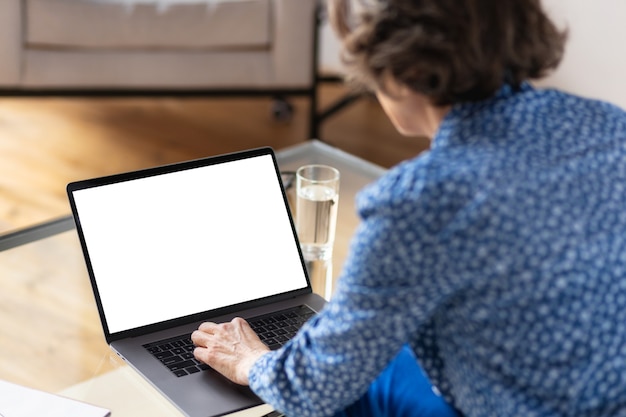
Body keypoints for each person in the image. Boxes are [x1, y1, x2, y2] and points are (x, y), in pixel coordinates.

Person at [192, 0, 626, 415]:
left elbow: (313, 386)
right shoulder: (610, 124)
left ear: (400, 69)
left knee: (338, 387)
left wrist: (251, 360)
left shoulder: (422, 200)